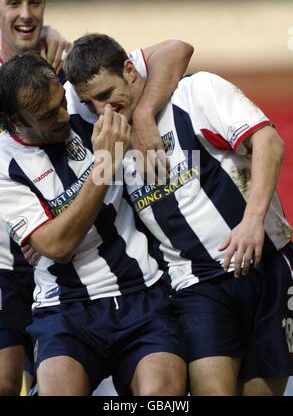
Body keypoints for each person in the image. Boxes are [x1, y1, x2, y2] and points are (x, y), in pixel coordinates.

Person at [64, 33, 293, 396]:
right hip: (195, 285)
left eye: (107, 95)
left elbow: (269, 141)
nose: (103, 110)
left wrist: (252, 220)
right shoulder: (107, 142)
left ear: (130, 70)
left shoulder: (196, 93)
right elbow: (102, 210)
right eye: (90, 103)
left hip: (266, 264)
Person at [0, 47, 195, 396]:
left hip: (140, 294)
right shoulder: (4, 166)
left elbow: (175, 50)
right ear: (16, 123)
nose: (64, 115)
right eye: (48, 115)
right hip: (64, 309)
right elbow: (57, 246)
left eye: (62, 102)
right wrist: (103, 164)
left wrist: (146, 113)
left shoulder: (79, 101)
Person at [0, 0, 71, 396]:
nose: (26, 14)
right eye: (13, 3)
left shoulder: (58, 68)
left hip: (59, 257)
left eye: (35, 2)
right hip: (6, 264)